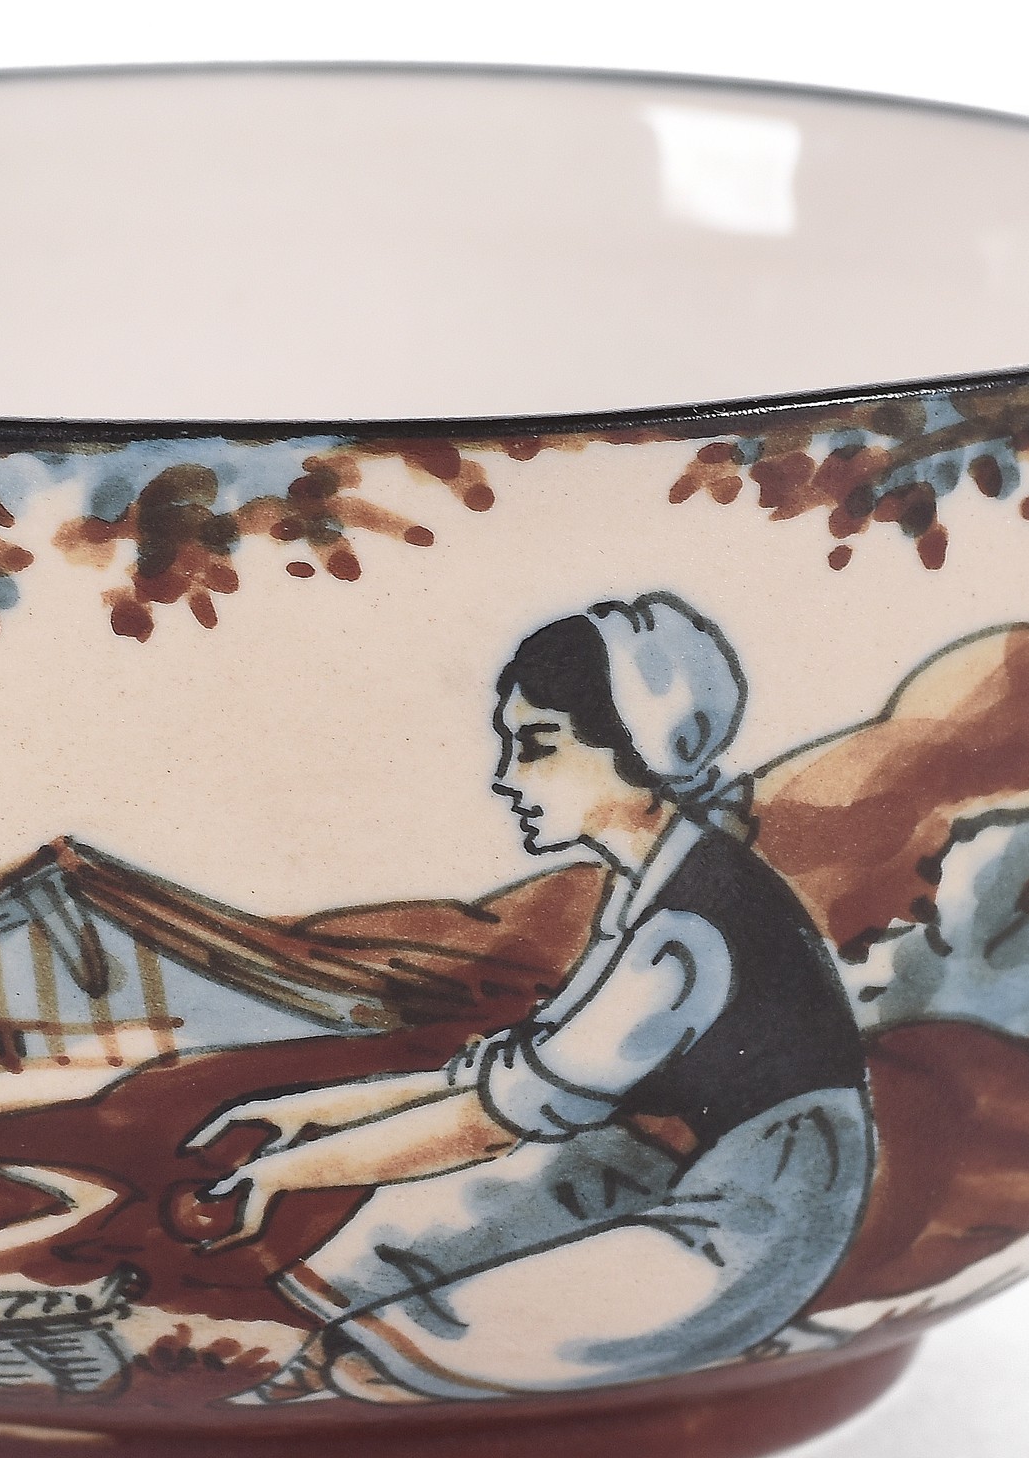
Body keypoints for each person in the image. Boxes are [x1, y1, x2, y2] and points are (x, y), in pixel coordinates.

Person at [185, 593, 874, 1402]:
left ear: (640, 752)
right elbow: (509, 1076)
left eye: (538, 746)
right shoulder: (653, 890)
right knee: (408, 1229)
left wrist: (288, 1174)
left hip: (759, 1218)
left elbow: (489, 1123)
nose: (506, 778)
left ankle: (345, 1385)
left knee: (459, 1328)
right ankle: (316, 1377)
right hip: (692, 1168)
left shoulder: (682, 938)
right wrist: (306, 1112)